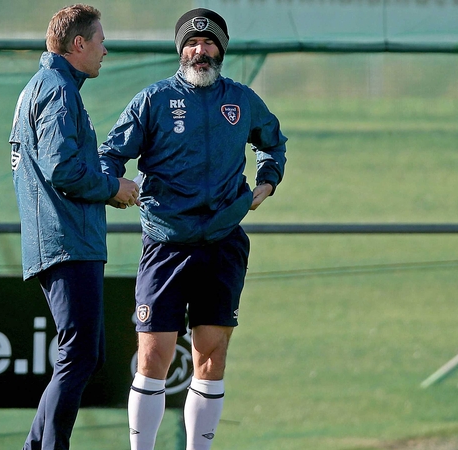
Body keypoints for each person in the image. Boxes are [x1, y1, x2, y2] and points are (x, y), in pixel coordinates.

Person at [98, 8, 287, 450]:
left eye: (208, 43)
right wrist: (116, 188)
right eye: (191, 43)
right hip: (167, 245)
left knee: (211, 355)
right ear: (180, 50)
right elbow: (111, 154)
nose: (199, 51)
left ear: (220, 49)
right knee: (153, 356)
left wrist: (269, 180)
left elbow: (272, 140)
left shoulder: (240, 100)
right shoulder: (154, 100)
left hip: (223, 243)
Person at [9, 4, 139, 450]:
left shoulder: (42, 86)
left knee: (83, 353)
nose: (106, 49)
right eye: (100, 40)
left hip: (58, 240)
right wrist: (112, 187)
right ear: (78, 43)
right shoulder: (58, 90)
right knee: (80, 355)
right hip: (67, 242)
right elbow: (62, 169)